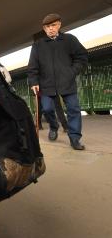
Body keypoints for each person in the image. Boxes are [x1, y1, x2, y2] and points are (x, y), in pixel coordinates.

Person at [28, 13, 88, 150]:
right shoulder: (38, 45)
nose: (51, 29)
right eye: (47, 26)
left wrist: (72, 71)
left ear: (59, 25)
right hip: (46, 85)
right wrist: (33, 82)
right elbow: (32, 67)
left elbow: (82, 57)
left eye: (53, 25)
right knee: (48, 108)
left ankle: (74, 138)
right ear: (44, 29)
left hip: (67, 83)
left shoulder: (70, 40)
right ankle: (54, 127)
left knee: (73, 109)